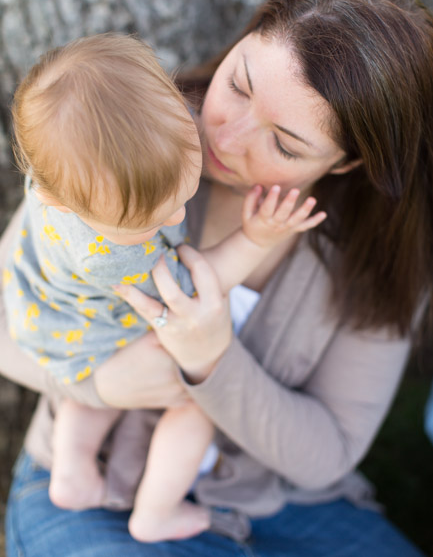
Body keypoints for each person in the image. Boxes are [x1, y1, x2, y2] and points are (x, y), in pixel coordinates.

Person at [2, 0, 432, 556]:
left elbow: (327, 452)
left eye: (284, 143)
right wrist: (100, 384)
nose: (223, 139)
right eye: (239, 85)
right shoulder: (130, 136)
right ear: (242, 38)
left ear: (345, 163)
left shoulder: (379, 251)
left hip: (281, 507)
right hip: (99, 488)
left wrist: (213, 365)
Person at [2, 32, 324, 542]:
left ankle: (73, 469)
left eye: (182, 194)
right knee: (196, 406)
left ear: (176, 100)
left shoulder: (63, 171)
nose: (177, 216)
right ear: (58, 200)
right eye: (151, 221)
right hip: (85, 327)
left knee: (87, 375)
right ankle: (155, 512)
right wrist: (257, 237)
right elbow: (190, 293)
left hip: (51, 319)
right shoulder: (114, 254)